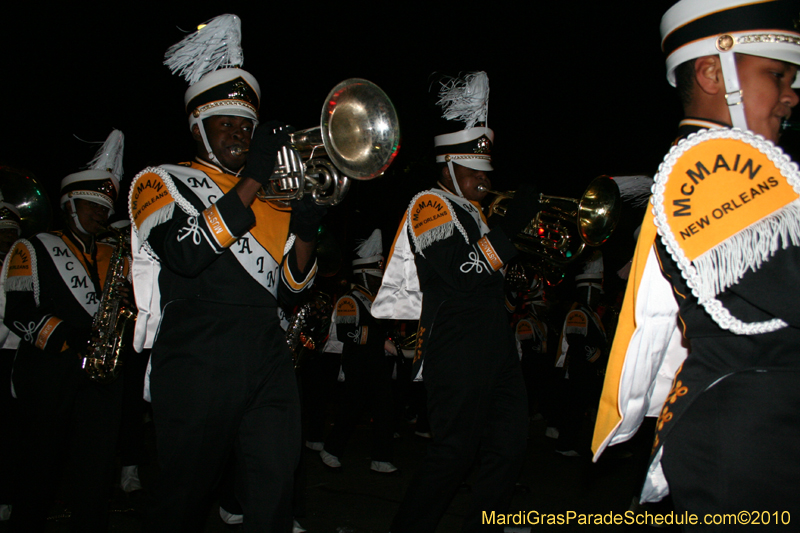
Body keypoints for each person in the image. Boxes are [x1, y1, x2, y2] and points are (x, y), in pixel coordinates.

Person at [592, 0, 800, 524]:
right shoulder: (710, 162)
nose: (791, 95)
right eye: (776, 74)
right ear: (713, 72)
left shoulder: (737, 161)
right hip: (746, 438)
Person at [128, 15, 323, 532]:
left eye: (246, 126)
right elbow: (186, 253)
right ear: (198, 128)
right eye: (226, 124)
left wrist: (305, 231)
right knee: (182, 498)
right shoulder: (160, 181)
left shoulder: (271, 197)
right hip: (197, 352)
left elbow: (290, 292)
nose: (239, 133)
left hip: (267, 353)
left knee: (275, 485)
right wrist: (256, 176)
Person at [373, 71, 539, 532]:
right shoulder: (430, 204)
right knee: (454, 453)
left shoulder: (478, 214)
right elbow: (462, 274)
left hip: (494, 345)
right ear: (448, 168)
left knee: (509, 443)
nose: (485, 182)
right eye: (474, 173)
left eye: (487, 173)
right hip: (455, 346)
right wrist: (508, 233)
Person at [2, 130, 126, 532]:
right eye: (90, 204)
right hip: (49, 379)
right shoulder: (35, 247)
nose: (99, 214)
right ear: (69, 204)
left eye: (105, 207)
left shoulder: (115, 254)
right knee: (39, 473)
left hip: (100, 383)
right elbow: (17, 314)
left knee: (95, 476)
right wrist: (68, 336)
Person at [320, 228, 399, 474]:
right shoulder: (349, 301)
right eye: (375, 274)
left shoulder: (375, 301)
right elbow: (348, 335)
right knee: (351, 412)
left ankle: (381, 458)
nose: (379, 279)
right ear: (363, 274)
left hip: (376, 365)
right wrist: (380, 341)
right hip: (357, 366)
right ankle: (330, 450)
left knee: (385, 411)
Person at [553, 251, 607, 456]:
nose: (598, 296)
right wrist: (599, 357)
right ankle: (564, 445)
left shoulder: (589, 313)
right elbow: (578, 343)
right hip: (578, 371)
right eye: (596, 292)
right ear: (587, 291)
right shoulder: (579, 313)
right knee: (573, 410)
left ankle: (569, 442)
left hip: (585, 371)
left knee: (577, 409)